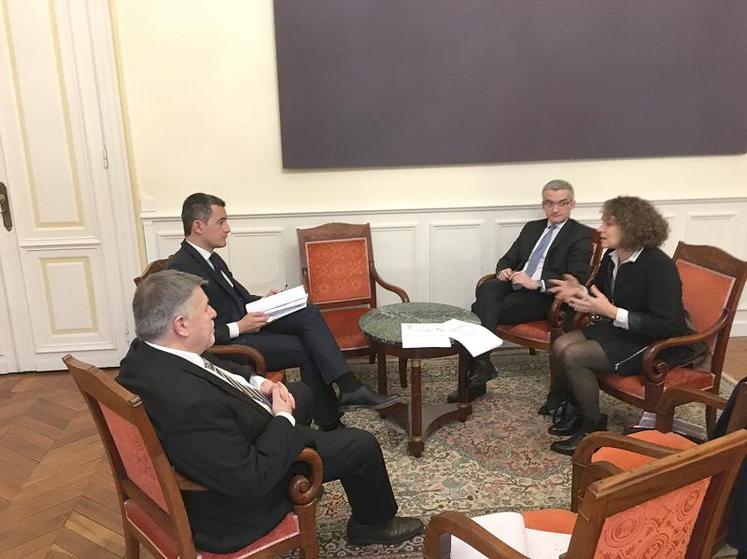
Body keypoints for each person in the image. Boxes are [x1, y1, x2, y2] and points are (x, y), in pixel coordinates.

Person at [117, 270, 423, 553]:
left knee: (301, 394)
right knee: (361, 445)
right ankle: (371, 524)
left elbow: (211, 366)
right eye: (206, 308)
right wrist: (282, 419)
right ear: (180, 324)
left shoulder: (144, 355)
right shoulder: (190, 403)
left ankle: (301, 435)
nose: (214, 314)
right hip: (235, 509)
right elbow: (252, 478)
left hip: (230, 437)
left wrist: (259, 382)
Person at [169, 192, 398, 431]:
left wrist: (266, 301)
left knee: (307, 312)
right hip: (229, 344)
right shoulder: (181, 269)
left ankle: (348, 390)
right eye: (221, 222)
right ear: (198, 226)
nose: (228, 229)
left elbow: (238, 299)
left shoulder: (212, 259)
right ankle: (335, 415)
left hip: (248, 324)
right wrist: (239, 327)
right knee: (307, 348)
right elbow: (188, 331)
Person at [547, 196, 699, 455]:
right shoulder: (612, 255)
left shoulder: (658, 267)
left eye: (608, 224)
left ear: (632, 228)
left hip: (656, 341)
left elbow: (668, 324)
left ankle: (592, 428)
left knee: (574, 355)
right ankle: (581, 409)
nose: (600, 230)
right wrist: (582, 292)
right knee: (561, 343)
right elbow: (603, 294)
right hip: (625, 328)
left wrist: (611, 312)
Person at [448, 179, 592, 403]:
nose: (555, 209)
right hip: (514, 285)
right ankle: (482, 366)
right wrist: (503, 270)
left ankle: (478, 373)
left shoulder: (580, 235)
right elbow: (508, 258)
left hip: (544, 297)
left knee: (476, 313)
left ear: (572, 204)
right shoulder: (532, 228)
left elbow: (577, 279)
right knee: (488, 287)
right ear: (542, 204)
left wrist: (537, 283)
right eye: (549, 203)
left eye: (562, 203)